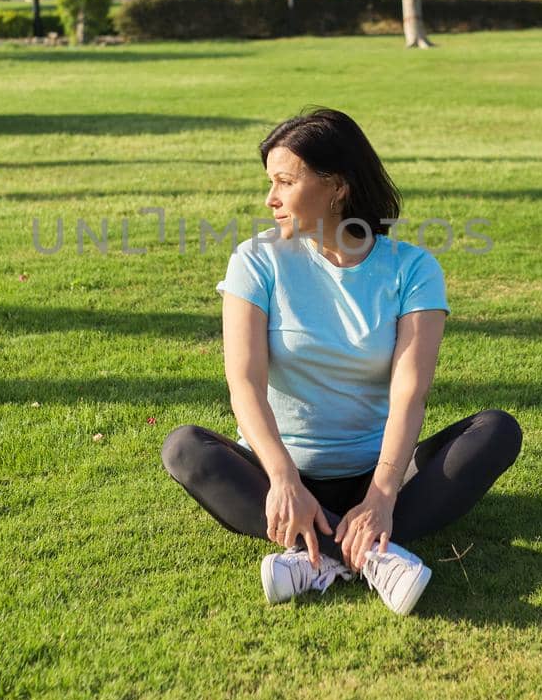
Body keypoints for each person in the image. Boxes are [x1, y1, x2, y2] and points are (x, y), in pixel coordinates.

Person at [161, 108, 521, 614]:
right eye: (271, 182)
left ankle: (319, 555)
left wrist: (381, 498)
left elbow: (409, 392)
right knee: (184, 448)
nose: (271, 199)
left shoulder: (413, 269)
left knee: (497, 431)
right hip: (276, 472)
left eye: (286, 181)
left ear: (337, 187)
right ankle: (370, 558)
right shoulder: (254, 260)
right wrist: (284, 480)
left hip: (376, 472)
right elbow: (244, 382)